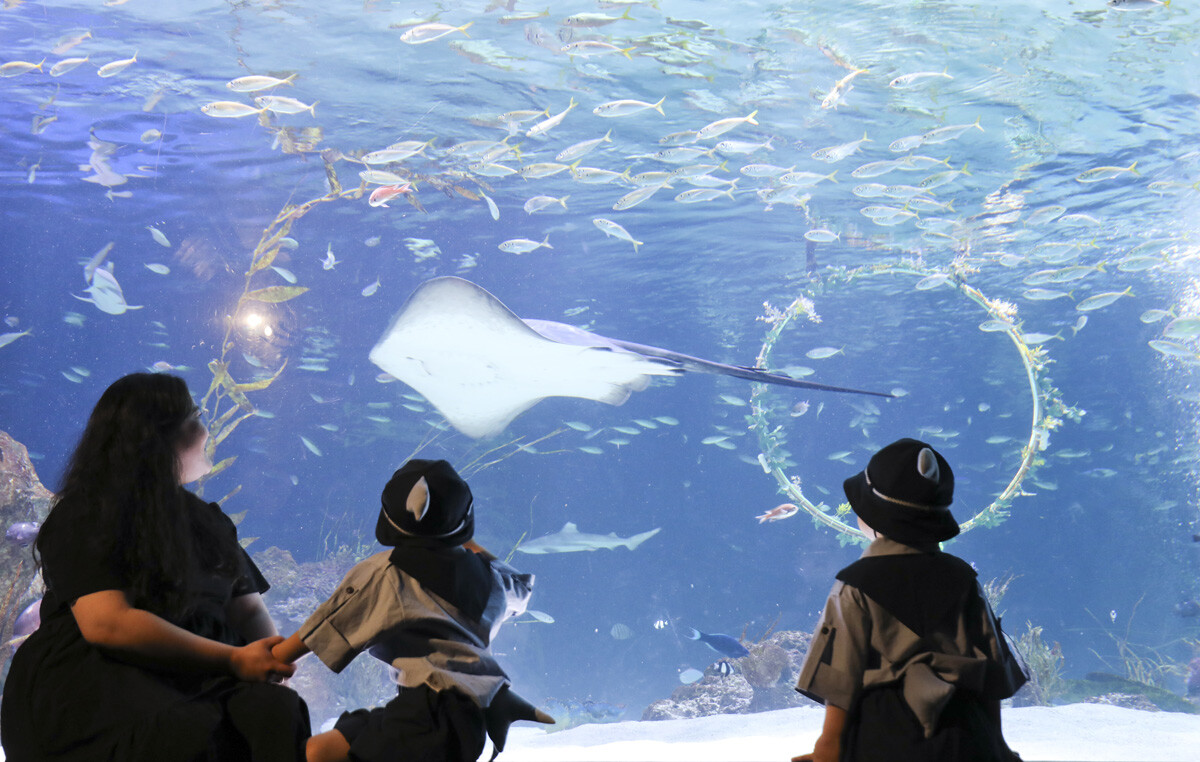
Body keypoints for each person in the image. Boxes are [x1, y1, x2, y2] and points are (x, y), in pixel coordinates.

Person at [1, 373, 310, 762]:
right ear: (156, 437)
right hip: (103, 687)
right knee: (189, 731)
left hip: (202, 683)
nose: (204, 429)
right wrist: (232, 659)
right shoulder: (90, 511)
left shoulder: (209, 522)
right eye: (194, 418)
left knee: (279, 712)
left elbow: (247, 609)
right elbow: (107, 622)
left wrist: (272, 662)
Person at [271, 458, 554, 762]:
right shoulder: (490, 578)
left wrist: (277, 657)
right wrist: (464, 539)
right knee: (332, 744)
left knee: (322, 752)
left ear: (388, 515)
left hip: (429, 711)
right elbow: (521, 590)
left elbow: (331, 622)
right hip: (470, 716)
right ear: (464, 519)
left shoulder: (386, 573)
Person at [793, 438, 1027, 762]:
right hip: (966, 735)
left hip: (883, 737)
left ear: (874, 517)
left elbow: (841, 678)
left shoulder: (855, 585)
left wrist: (828, 747)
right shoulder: (964, 579)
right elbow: (988, 671)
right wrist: (996, 745)